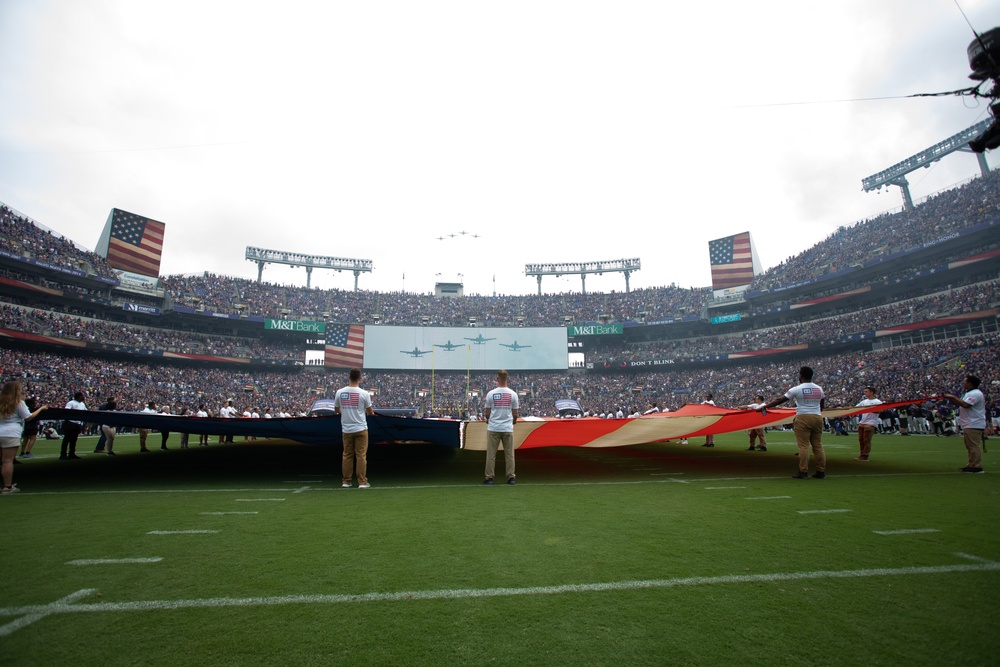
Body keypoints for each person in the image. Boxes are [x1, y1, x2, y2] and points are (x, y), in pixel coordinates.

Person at [760, 366, 826, 479]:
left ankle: (803, 471)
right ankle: (821, 471)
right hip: (817, 416)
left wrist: (765, 407)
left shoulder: (797, 389)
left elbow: (780, 400)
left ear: (801, 376)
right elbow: (822, 403)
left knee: (803, 446)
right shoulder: (819, 389)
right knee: (818, 446)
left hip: (803, 417)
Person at [1, 381, 46, 494]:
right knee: (7, 461)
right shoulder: (18, 403)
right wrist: (41, 409)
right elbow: (28, 417)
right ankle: (7, 486)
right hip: (11, 433)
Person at [334, 368, 374, 488]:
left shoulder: (339, 392)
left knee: (347, 455)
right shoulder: (364, 393)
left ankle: (346, 481)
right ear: (360, 378)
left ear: (349, 377)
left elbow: (336, 410)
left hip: (346, 429)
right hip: (361, 428)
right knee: (361, 455)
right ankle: (362, 481)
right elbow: (370, 412)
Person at [483, 369, 519, 485]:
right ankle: (511, 477)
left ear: (497, 378)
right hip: (507, 428)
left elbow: (487, 412)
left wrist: (489, 420)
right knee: (509, 455)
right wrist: (512, 422)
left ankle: (489, 478)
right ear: (507, 379)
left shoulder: (491, 394)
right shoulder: (513, 394)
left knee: (491, 455)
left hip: (493, 427)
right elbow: (515, 414)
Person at [944, 375, 987, 474]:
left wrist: (953, 397)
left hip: (974, 422)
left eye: (965, 382)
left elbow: (965, 405)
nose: (963, 383)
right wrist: (952, 398)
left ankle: (975, 466)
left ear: (970, 383)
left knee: (973, 445)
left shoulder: (975, 394)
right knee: (970, 445)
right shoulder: (969, 393)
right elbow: (960, 404)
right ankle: (971, 464)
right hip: (970, 422)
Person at [854, 387, 882, 461]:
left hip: (870, 423)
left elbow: (879, 411)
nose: (865, 393)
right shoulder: (864, 401)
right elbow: (856, 408)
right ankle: (862, 454)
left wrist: (869, 409)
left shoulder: (877, 402)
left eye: (866, 391)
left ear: (872, 392)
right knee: (861, 439)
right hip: (862, 422)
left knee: (866, 440)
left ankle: (865, 455)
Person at [60, 391, 88, 460]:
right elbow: (67, 411)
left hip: (77, 423)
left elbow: (86, 412)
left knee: (74, 440)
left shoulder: (82, 404)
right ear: (79, 396)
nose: (83, 397)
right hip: (70, 423)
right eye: (82, 396)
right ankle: (63, 454)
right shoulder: (71, 403)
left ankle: (72, 453)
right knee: (67, 439)